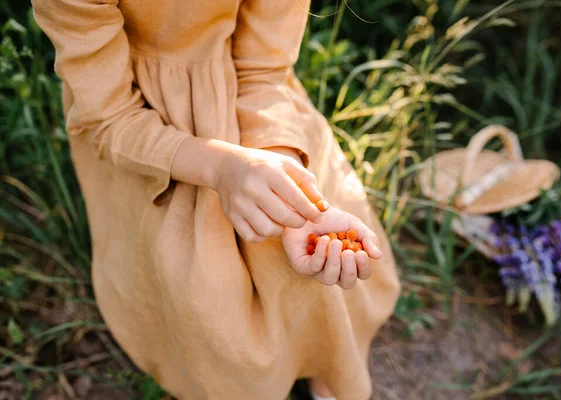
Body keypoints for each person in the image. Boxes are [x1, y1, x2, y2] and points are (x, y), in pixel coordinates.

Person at [31, 0, 401, 398]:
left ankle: (326, 363)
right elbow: (108, 118)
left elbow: (263, 70)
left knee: (302, 263)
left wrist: (285, 172)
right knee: (209, 299)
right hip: (151, 139)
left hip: (256, 106)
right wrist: (221, 169)